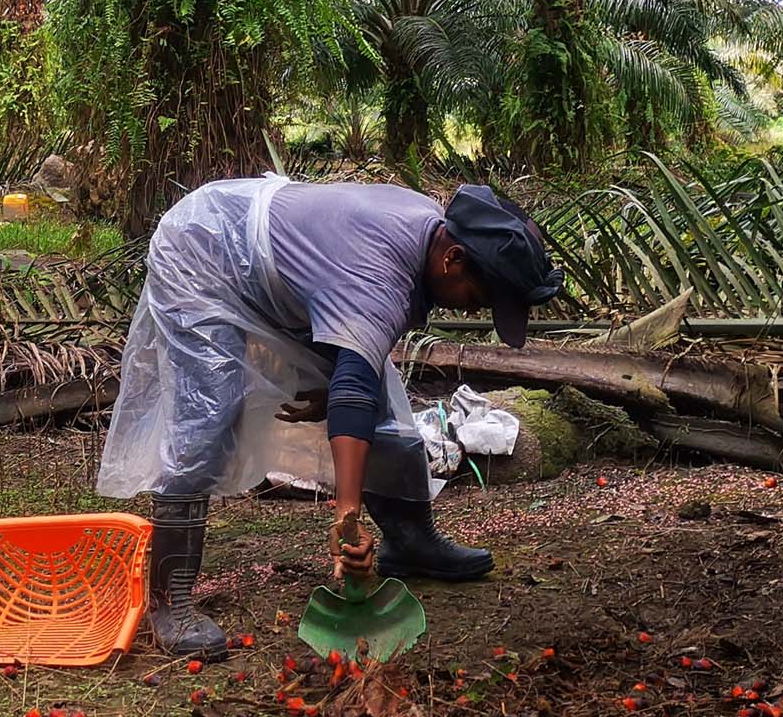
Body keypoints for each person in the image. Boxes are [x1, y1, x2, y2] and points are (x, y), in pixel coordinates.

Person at [96, 174, 564, 657]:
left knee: (383, 399)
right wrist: (346, 516)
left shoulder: (424, 242)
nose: (473, 311)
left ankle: (409, 540)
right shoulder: (380, 277)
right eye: (476, 297)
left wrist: (336, 384)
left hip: (275, 258)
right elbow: (353, 390)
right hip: (204, 248)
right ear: (453, 259)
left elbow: (358, 375)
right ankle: (169, 602)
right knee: (209, 411)